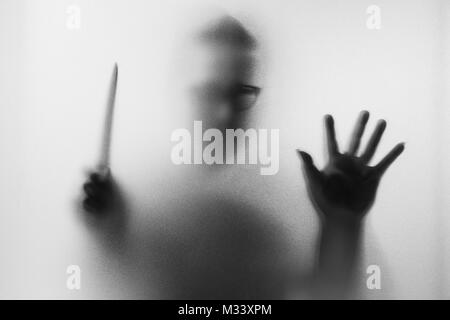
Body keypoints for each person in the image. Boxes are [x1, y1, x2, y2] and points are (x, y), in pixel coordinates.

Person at [81, 14, 404, 299]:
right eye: (209, 92)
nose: (224, 113)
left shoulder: (292, 209)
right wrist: (108, 235)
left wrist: (342, 227)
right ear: (177, 88)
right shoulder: (140, 204)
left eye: (242, 94)